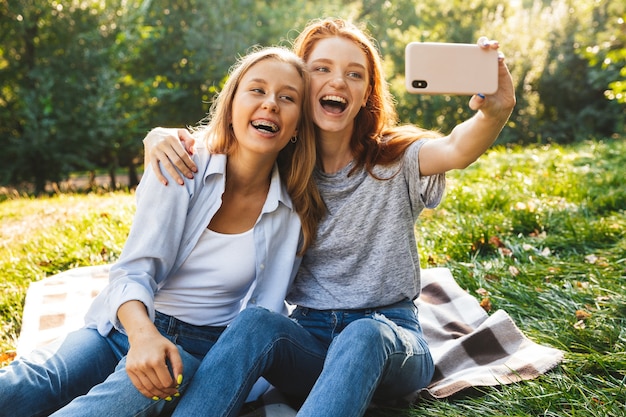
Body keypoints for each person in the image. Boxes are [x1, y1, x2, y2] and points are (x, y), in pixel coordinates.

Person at [144, 18, 516, 417]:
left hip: (389, 334)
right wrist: (161, 135)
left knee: (363, 334)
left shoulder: (396, 158)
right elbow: (224, 140)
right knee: (254, 323)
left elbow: (457, 147)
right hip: (310, 337)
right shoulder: (279, 165)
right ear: (300, 86)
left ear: (366, 94)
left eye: (354, 74)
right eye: (321, 69)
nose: (338, 82)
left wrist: (495, 112)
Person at [0, 46, 324, 417]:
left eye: (287, 98)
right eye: (257, 90)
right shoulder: (180, 164)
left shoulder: (292, 210)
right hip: (127, 327)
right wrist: (141, 337)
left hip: (195, 354)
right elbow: (131, 270)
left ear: (298, 124)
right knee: (29, 382)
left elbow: (265, 314)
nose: (271, 104)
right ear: (231, 104)